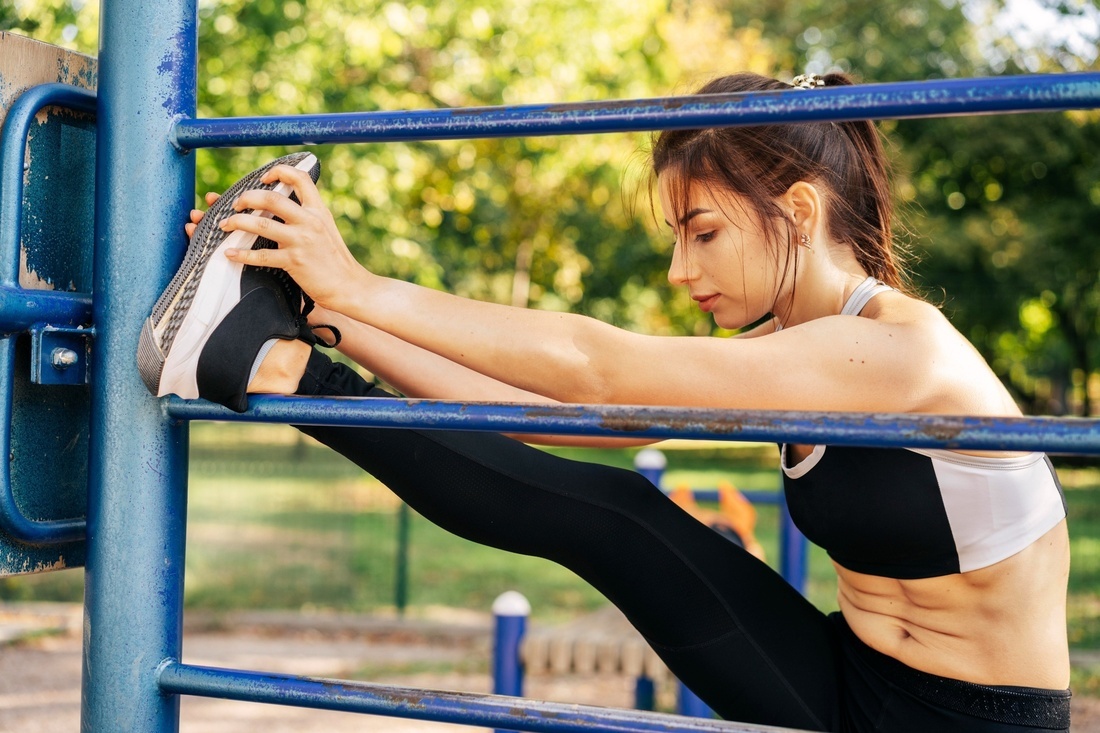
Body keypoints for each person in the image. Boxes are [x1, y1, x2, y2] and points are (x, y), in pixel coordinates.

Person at [138, 72, 1071, 732]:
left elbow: (597, 368)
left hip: (978, 720)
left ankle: (276, 360)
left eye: (703, 232)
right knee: (618, 513)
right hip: (845, 677)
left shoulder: (900, 352)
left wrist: (357, 281)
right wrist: (325, 312)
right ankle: (272, 357)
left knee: (622, 513)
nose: (680, 268)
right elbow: (544, 411)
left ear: (796, 213)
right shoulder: (788, 351)